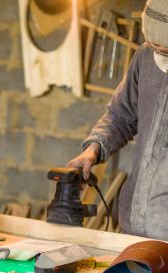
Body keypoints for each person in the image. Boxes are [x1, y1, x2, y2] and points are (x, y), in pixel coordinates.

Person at [67, 0, 168, 240]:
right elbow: (121, 115)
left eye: (166, 50)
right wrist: (94, 149)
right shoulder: (145, 58)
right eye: (154, 46)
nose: (159, 55)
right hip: (134, 224)